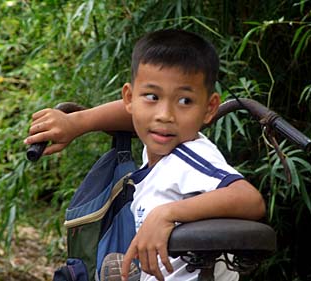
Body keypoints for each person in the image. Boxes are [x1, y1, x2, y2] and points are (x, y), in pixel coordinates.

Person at [24, 29, 265, 281]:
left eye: (185, 101)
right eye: (153, 96)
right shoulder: (160, 153)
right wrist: (77, 122)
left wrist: (167, 214)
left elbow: (248, 199)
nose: (165, 115)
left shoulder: (189, 156)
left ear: (210, 109)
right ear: (129, 98)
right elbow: (139, 115)